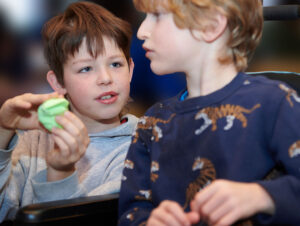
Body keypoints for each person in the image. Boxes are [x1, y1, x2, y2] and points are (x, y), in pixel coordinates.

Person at [118, 0, 300, 225]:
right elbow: (131, 212)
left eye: (156, 16)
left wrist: (262, 196)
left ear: (211, 26)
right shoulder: (152, 123)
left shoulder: (275, 103)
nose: (143, 31)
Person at [0, 1, 138, 222]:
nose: (105, 78)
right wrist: (3, 132)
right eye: (86, 68)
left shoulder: (143, 145)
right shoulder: (33, 141)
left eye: (115, 64)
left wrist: (61, 171)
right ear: (58, 82)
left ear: (130, 70)